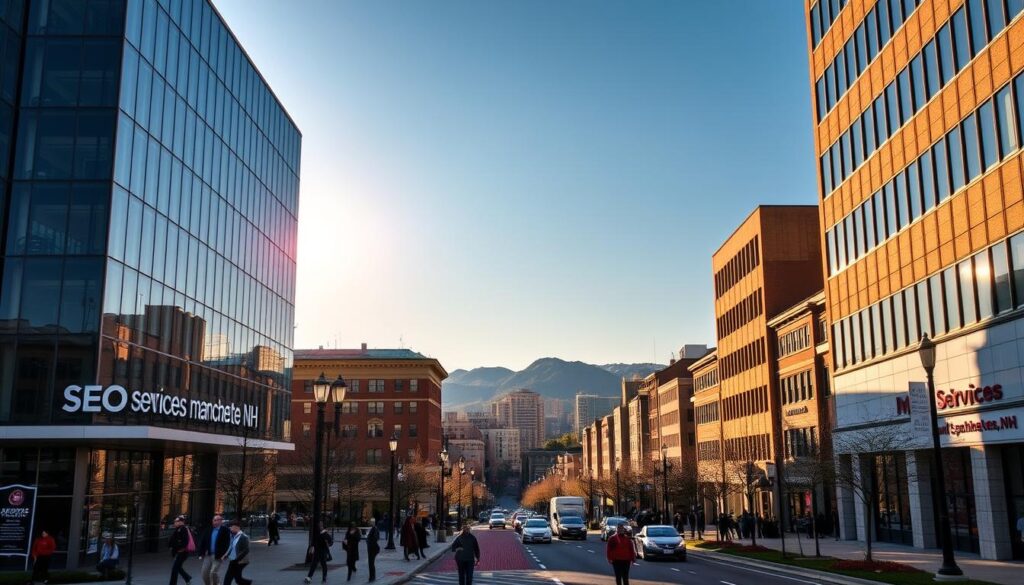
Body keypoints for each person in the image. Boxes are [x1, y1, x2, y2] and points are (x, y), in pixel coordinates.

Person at [198, 514, 230, 585]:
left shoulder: (225, 530)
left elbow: (227, 544)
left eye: (217, 520)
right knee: (204, 573)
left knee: (213, 572)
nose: (215, 522)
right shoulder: (208, 530)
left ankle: (216, 583)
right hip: (208, 555)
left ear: (221, 521)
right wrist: (201, 553)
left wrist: (225, 555)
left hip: (218, 556)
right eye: (214, 520)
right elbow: (203, 541)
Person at [169, 515, 194, 585]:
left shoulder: (183, 529)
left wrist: (180, 549)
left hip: (182, 553)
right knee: (178, 568)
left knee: (175, 569)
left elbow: (185, 541)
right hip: (179, 552)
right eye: (174, 521)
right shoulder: (178, 529)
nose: (175, 523)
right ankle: (187, 578)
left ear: (181, 522)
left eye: (176, 521)